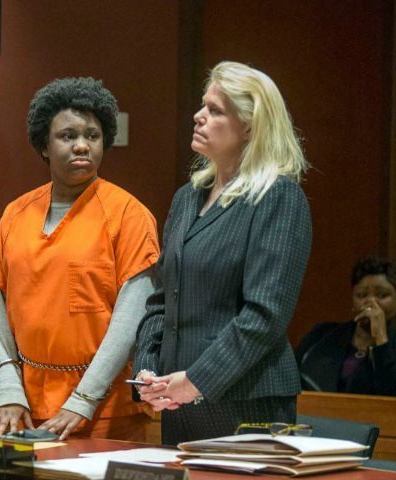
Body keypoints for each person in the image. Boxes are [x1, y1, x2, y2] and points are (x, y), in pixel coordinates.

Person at [132, 61, 312, 445]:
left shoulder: (279, 197)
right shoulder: (186, 199)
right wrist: (148, 371)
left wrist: (195, 381)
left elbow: (265, 316)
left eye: (215, 110)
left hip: (247, 403)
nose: (198, 116)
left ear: (249, 126)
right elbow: (162, 300)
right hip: (178, 401)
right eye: (203, 106)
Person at [0, 77, 159, 441]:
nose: (82, 145)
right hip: (26, 410)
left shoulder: (129, 214)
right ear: (44, 146)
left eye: (93, 136)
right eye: (68, 135)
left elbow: (130, 319)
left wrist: (83, 398)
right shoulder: (16, 213)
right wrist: (8, 390)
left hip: (107, 411)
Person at [295, 256, 396, 396]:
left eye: (382, 295)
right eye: (362, 295)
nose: (371, 302)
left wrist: (380, 339)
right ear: (353, 301)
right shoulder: (321, 336)